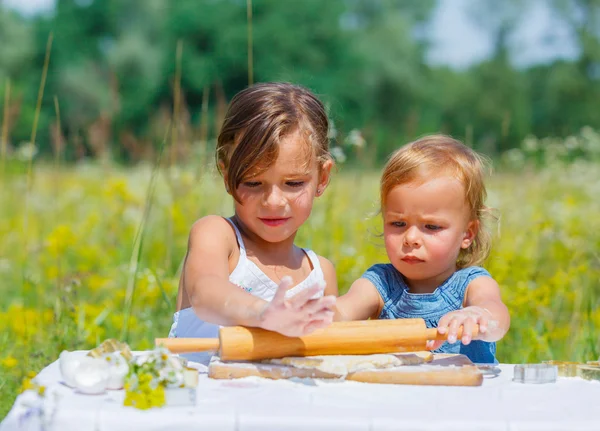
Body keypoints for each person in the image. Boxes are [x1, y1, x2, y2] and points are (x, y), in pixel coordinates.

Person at [169, 82, 338, 364]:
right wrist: (263, 313)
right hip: (202, 402)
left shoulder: (320, 274)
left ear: (322, 178)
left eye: (293, 183)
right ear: (226, 175)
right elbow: (206, 292)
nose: (273, 201)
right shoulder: (218, 237)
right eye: (253, 182)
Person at [335, 135, 510, 363]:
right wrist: (314, 314)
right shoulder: (380, 284)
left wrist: (478, 316)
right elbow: (344, 311)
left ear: (467, 234)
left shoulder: (471, 284)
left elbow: (496, 315)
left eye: (431, 226)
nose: (411, 238)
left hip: (465, 395)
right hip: (399, 395)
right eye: (398, 224)